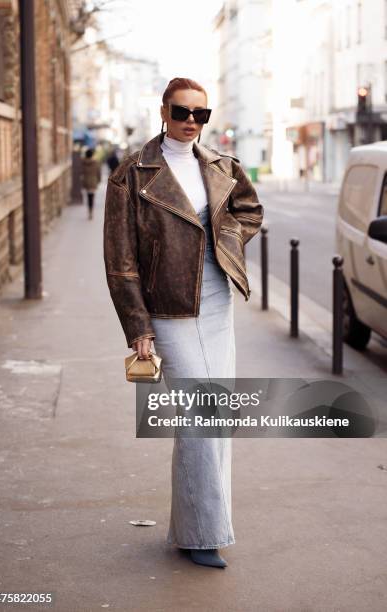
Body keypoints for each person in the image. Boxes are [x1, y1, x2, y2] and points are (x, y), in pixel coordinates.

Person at [103, 77, 264, 568]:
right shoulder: (133, 173)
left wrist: (226, 242)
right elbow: (120, 260)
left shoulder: (221, 165)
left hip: (217, 301)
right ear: (164, 111)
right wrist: (139, 328)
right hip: (166, 307)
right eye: (182, 111)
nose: (191, 121)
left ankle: (200, 526)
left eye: (201, 114)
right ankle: (200, 535)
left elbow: (250, 212)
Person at [81, 148, 101, 220]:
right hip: (93, 181)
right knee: (92, 196)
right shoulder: (95, 162)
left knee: (88, 196)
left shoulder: (83, 162)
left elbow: (81, 172)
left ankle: (89, 211)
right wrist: (99, 180)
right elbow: (98, 172)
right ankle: (91, 211)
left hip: (86, 181)